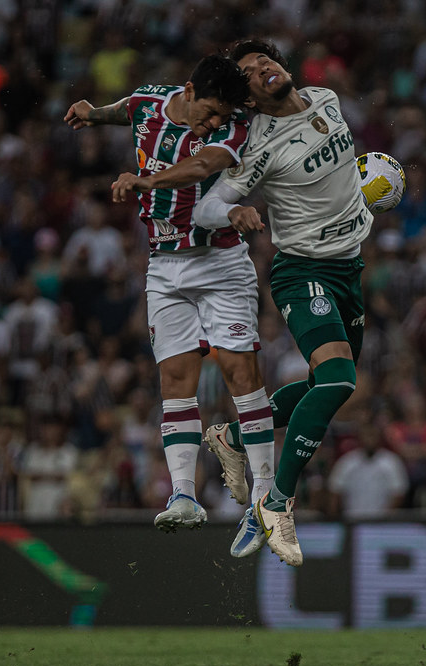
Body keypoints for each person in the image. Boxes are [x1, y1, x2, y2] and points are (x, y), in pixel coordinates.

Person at [193, 38, 392, 566]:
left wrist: (369, 191)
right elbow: (210, 203)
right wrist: (230, 215)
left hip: (349, 268)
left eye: (266, 61)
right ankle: (275, 502)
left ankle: (232, 436)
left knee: (324, 386)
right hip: (303, 271)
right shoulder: (258, 145)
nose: (262, 70)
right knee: (340, 382)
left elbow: (339, 178)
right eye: (250, 74)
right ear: (249, 99)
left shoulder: (325, 97)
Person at [64, 54, 276, 549]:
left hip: (220, 263)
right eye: (210, 111)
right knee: (175, 381)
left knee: (240, 373)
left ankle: (265, 496)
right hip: (164, 265)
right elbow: (129, 108)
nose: (216, 122)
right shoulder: (150, 103)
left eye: (223, 115)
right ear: (188, 90)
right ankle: (183, 495)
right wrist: (94, 112)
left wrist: (147, 180)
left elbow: (203, 165)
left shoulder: (231, 130)